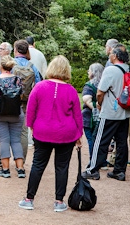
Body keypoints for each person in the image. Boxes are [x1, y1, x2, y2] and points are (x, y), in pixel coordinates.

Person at [19, 56, 83, 211]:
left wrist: (31, 127)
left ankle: (29, 199)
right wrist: (79, 135)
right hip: (66, 133)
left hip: (42, 131)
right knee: (62, 167)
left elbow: (31, 109)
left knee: (38, 165)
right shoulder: (71, 90)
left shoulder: (40, 87)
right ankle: (59, 201)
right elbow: (77, 115)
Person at [82, 44, 130, 181]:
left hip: (110, 110)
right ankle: (119, 171)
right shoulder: (128, 70)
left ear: (115, 56)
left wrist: (99, 103)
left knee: (100, 140)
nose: (109, 55)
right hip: (125, 111)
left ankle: (93, 169)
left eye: (111, 54)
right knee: (121, 141)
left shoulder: (110, 70)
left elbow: (100, 91)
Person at [0, 56, 26, 178]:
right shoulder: (18, 79)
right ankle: (20, 169)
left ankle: (6, 170)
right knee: (16, 140)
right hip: (16, 113)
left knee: (4, 141)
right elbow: (22, 94)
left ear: (0, 66)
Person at [13, 39, 42, 156]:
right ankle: (21, 160)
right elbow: (39, 85)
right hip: (26, 101)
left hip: (9, 101)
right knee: (23, 132)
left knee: (5, 130)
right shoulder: (32, 67)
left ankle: (2, 160)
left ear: (15, 50)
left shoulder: (9, 64)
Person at [81, 63, 104, 158]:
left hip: (89, 118)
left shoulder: (89, 85)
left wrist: (95, 108)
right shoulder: (104, 84)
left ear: (93, 72)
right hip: (102, 117)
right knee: (101, 140)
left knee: (91, 140)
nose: (88, 72)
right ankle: (102, 161)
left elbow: (86, 99)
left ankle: (93, 160)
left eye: (89, 70)